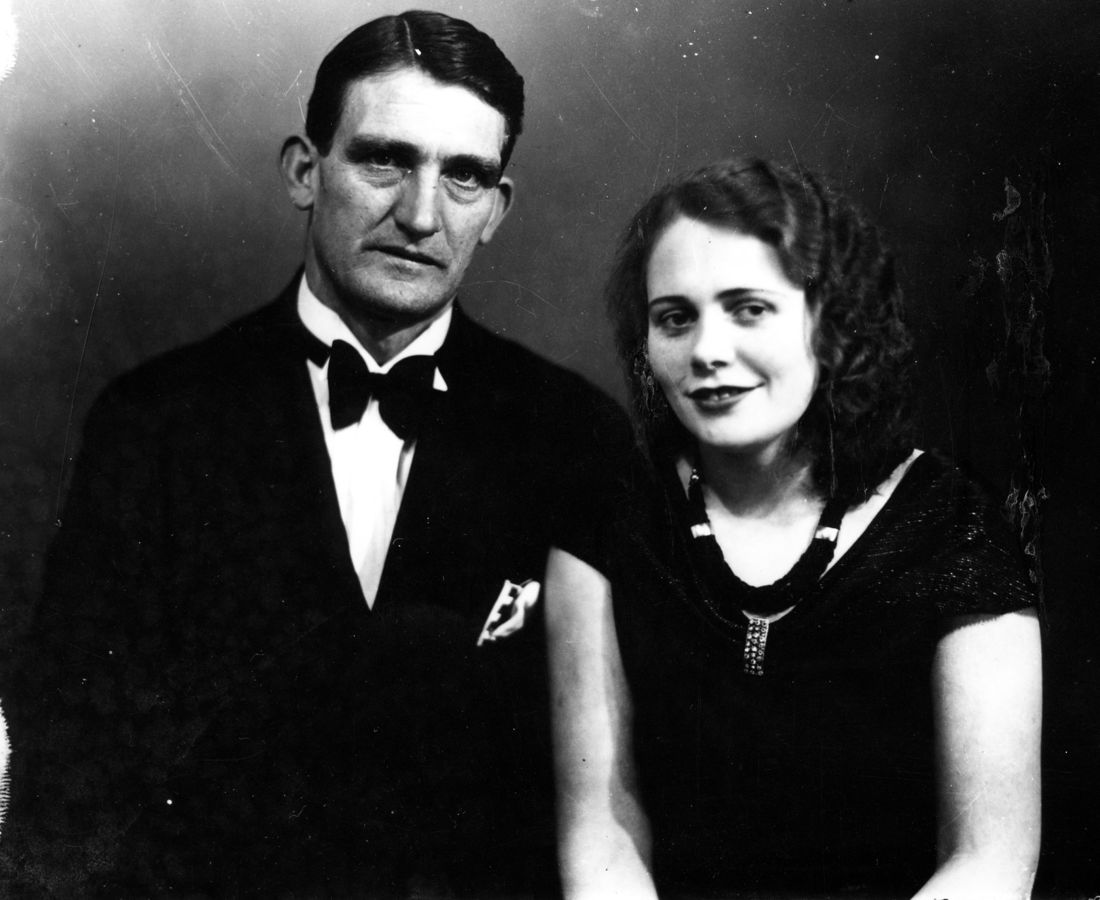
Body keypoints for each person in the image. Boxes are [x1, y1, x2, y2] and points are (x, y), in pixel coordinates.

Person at [2, 11, 625, 897]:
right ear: (305, 170)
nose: (420, 214)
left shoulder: (573, 431)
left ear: (497, 209)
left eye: (464, 176)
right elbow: (70, 777)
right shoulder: (154, 422)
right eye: (385, 160)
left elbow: (607, 790)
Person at [547, 157, 1042, 898]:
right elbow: (602, 831)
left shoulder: (952, 528)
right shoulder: (606, 519)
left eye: (749, 308)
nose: (707, 351)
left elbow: (990, 862)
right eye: (675, 317)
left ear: (830, 321)